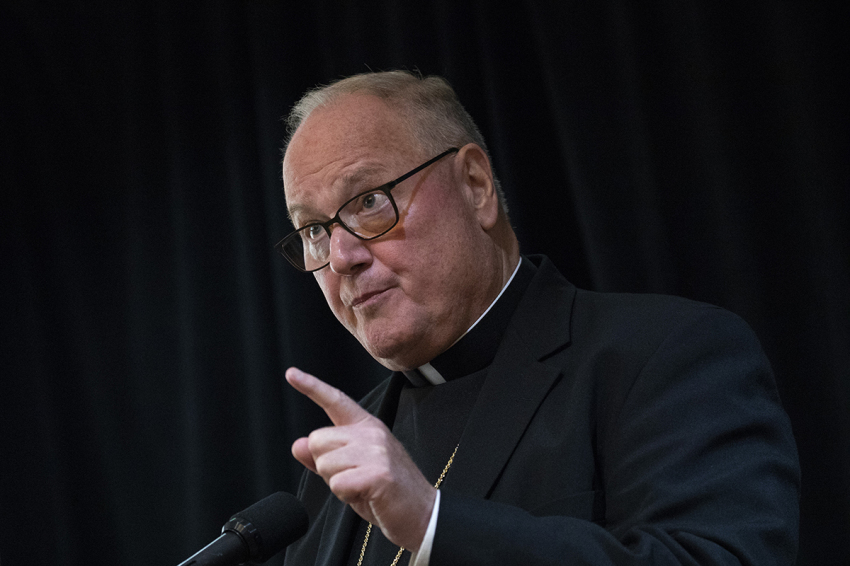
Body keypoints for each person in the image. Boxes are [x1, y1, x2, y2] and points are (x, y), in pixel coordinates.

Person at [277, 70, 800, 566]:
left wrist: (433, 523)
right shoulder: (339, 461)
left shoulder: (667, 355)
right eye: (314, 231)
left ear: (476, 186)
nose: (342, 256)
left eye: (369, 201)